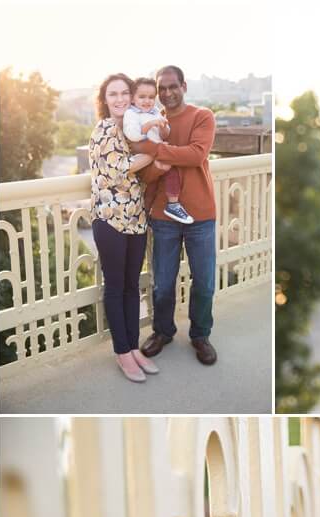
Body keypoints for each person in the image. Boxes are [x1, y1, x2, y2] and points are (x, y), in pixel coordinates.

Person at [130, 65, 219, 366]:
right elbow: (147, 173)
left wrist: (157, 150)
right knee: (163, 283)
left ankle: (200, 335)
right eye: (161, 88)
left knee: (205, 282)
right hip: (164, 216)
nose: (167, 93)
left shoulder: (202, 116)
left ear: (183, 85)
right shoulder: (151, 122)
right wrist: (156, 158)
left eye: (172, 86)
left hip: (201, 215)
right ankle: (163, 332)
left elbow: (197, 155)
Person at [88, 72, 160, 383]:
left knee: (133, 286)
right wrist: (156, 153)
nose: (119, 99)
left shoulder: (132, 129)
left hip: (136, 218)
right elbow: (121, 170)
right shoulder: (103, 131)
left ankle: (134, 347)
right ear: (105, 101)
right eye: (113, 94)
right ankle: (122, 353)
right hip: (110, 219)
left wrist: (151, 150)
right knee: (116, 287)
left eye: (124, 93)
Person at [122, 77, 194, 225]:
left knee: (169, 173)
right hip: (142, 156)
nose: (147, 101)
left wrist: (163, 127)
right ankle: (145, 212)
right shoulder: (131, 114)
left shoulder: (155, 112)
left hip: (158, 153)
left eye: (151, 97)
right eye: (142, 97)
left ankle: (172, 204)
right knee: (151, 184)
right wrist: (150, 124)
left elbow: (165, 135)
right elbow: (133, 135)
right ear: (133, 99)